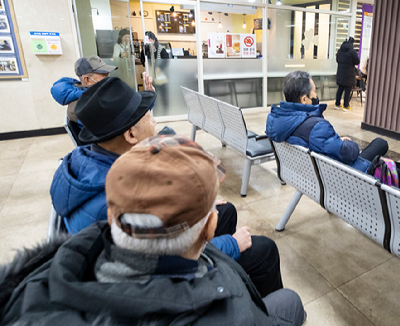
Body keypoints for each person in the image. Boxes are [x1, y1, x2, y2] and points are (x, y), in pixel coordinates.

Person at [0, 136, 305, 326]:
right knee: (290, 300)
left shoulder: (36, 284)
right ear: (209, 228)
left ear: (111, 213)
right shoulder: (228, 314)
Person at [50, 78, 282, 297]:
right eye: (149, 116)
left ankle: (231, 284)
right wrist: (231, 244)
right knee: (264, 250)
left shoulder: (88, 158)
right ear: (131, 134)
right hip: (153, 284)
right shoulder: (119, 200)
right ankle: (258, 310)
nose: (155, 122)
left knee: (227, 210)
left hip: (132, 257)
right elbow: (165, 263)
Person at [266, 71, 389, 173]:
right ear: (304, 99)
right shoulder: (316, 127)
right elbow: (348, 154)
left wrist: (338, 142)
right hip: (346, 177)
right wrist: (351, 144)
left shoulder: (276, 121)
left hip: (308, 176)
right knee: (381, 143)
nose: (316, 95)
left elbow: (324, 144)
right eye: (314, 91)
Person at [335, 37, 360, 112]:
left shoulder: (339, 51)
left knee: (340, 89)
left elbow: (337, 60)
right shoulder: (352, 52)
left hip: (340, 73)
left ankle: (337, 104)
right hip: (349, 74)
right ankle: (345, 106)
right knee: (347, 90)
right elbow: (357, 62)